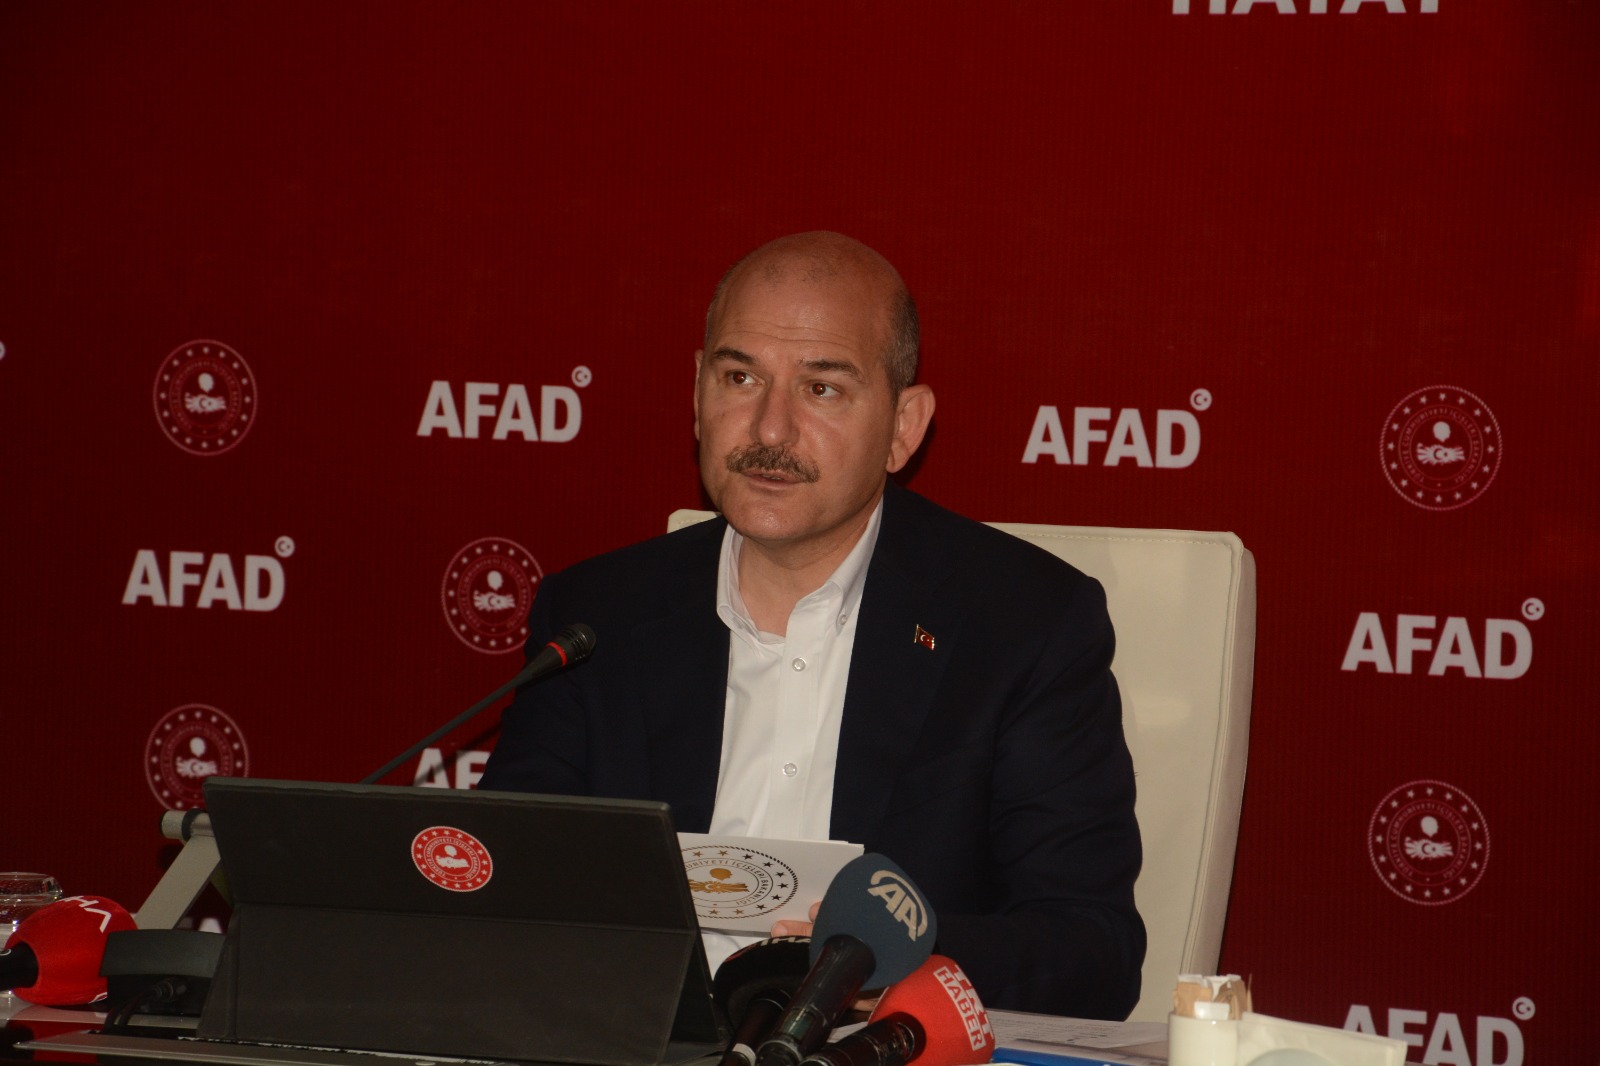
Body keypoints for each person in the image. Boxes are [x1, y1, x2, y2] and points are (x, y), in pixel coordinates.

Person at [479, 231, 1144, 1019]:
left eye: (822, 388)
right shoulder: (597, 616)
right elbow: (504, 890)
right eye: (739, 377)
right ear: (697, 392)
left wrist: (881, 961)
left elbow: (1090, 950)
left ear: (903, 426)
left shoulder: (1022, 626)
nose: (768, 430)